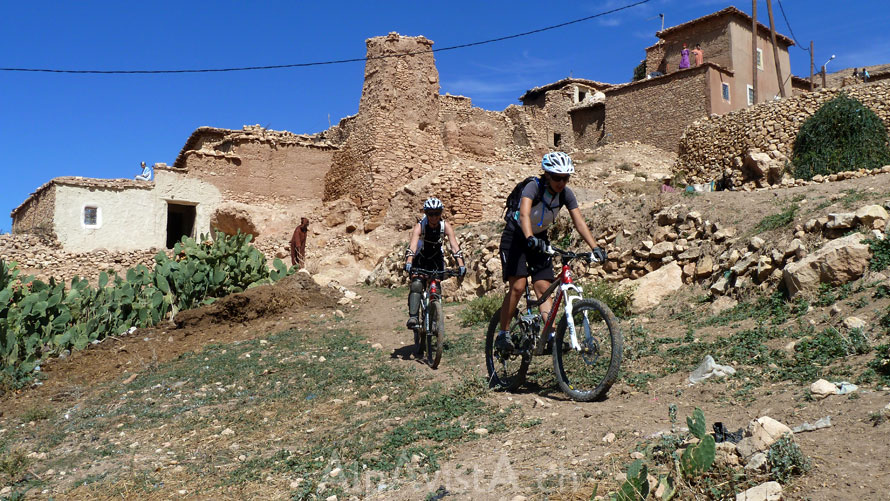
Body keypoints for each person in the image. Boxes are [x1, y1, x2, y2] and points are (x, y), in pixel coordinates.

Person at [495, 152, 606, 353]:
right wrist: (529, 237)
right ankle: (503, 334)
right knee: (518, 286)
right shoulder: (533, 187)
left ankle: (551, 336)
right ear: (547, 175)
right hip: (516, 236)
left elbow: (579, 222)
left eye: (566, 178)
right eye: (557, 178)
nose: (561, 182)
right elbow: (524, 214)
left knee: (543, 287)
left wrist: (595, 247)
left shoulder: (565, 194)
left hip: (539, 238)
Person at [404, 197, 466, 328]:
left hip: (436, 259)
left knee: (436, 288)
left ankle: (434, 318)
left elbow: (454, 246)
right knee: (416, 285)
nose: (434, 217)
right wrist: (409, 262)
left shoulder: (445, 226)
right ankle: (413, 317)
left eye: (437, 213)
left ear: (440, 213)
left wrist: (461, 264)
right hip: (421, 259)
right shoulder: (420, 226)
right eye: (430, 214)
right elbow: (413, 246)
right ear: (426, 214)